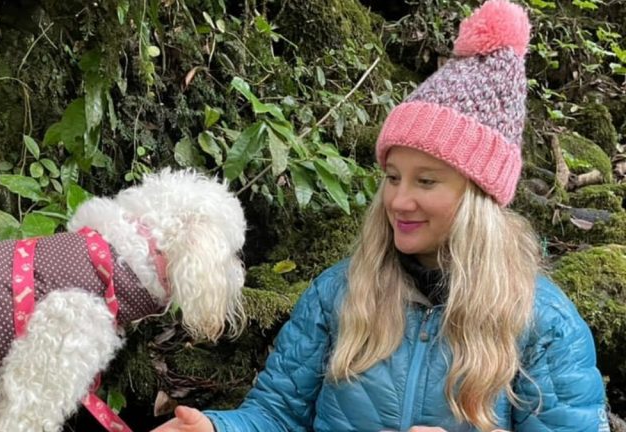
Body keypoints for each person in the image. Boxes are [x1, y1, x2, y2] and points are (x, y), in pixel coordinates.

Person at [151, 0, 610, 431]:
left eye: (425, 181)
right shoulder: (337, 293)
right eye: (393, 177)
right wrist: (218, 427)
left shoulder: (545, 324)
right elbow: (277, 413)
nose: (399, 200)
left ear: (479, 197)